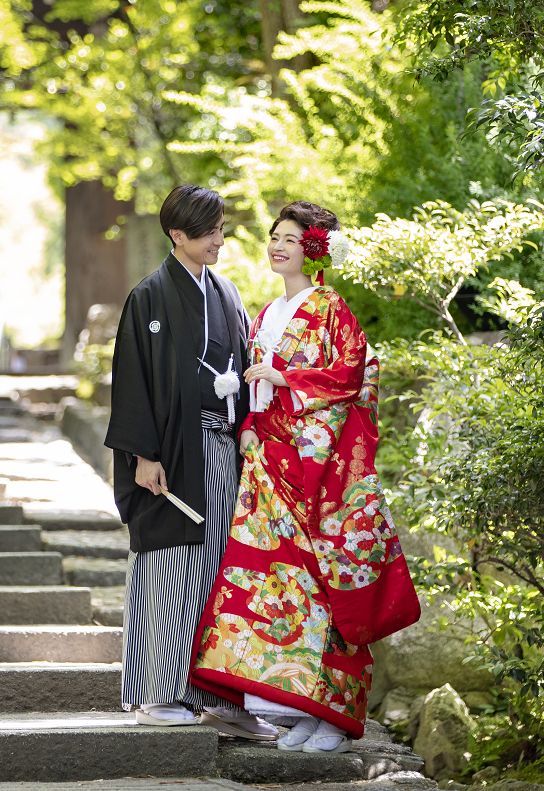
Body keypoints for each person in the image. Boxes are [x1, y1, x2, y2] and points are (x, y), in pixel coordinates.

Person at [190, 201, 420, 754]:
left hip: (317, 471)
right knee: (276, 588)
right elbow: (254, 387)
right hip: (269, 465)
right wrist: (247, 422)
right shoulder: (268, 312)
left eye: (291, 238)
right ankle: (297, 707)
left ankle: (336, 718)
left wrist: (284, 374)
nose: (278, 245)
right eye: (275, 236)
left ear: (313, 249)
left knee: (327, 591)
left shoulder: (332, 309)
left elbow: (349, 378)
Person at [104, 184, 279, 741]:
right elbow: (133, 379)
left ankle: (219, 694)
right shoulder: (149, 297)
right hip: (171, 455)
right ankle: (160, 693)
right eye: (208, 232)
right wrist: (142, 454)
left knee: (221, 569)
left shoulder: (227, 294)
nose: (218, 241)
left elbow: (247, 364)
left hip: (224, 450)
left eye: (221, 230)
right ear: (176, 235)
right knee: (169, 565)